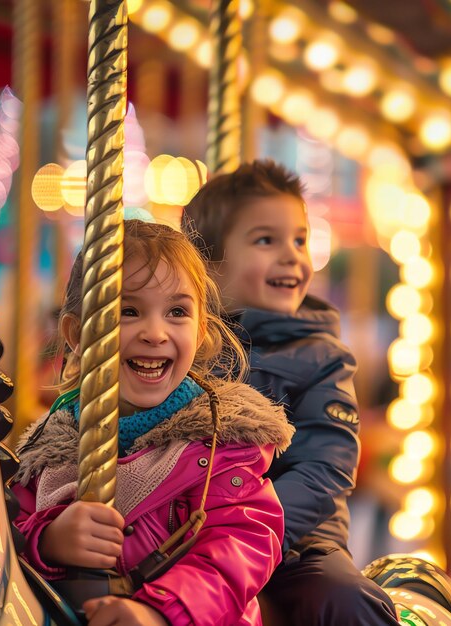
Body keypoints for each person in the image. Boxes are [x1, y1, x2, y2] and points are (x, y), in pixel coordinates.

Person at [12, 219, 295, 626]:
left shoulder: (221, 444)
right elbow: (2, 539)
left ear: (199, 332)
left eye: (177, 312)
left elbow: (242, 546)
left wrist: (159, 611)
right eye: (128, 311)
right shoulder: (47, 452)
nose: (155, 332)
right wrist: (47, 540)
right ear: (77, 334)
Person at [183, 159, 399, 625]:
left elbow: (324, 468)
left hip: (293, 543)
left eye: (300, 240)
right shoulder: (186, 347)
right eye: (267, 240)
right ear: (208, 263)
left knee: (343, 599)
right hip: (181, 529)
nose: (292, 256)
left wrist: (244, 532)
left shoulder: (323, 358)